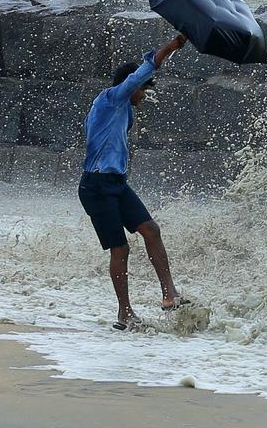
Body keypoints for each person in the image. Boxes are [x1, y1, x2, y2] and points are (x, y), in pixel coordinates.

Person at [78, 33, 188, 330]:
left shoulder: (123, 111)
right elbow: (144, 69)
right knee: (121, 249)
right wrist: (171, 46)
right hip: (97, 186)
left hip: (116, 183)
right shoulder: (111, 99)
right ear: (132, 86)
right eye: (142, 89)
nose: (144, 95)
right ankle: (124, 313)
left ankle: (170, 296)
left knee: (151, 230)